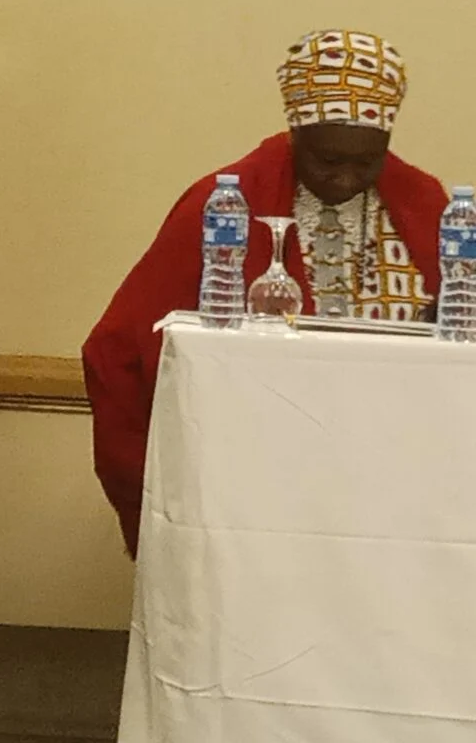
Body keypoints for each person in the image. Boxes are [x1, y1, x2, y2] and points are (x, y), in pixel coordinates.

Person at [82, 29, 448, 557]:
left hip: (392, 474)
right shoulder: (223, 202)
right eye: (327, 161)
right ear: (295, 134)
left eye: (366, 162)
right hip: (253, 474)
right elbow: (119, 349)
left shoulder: (425, 204)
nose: (345, 179)